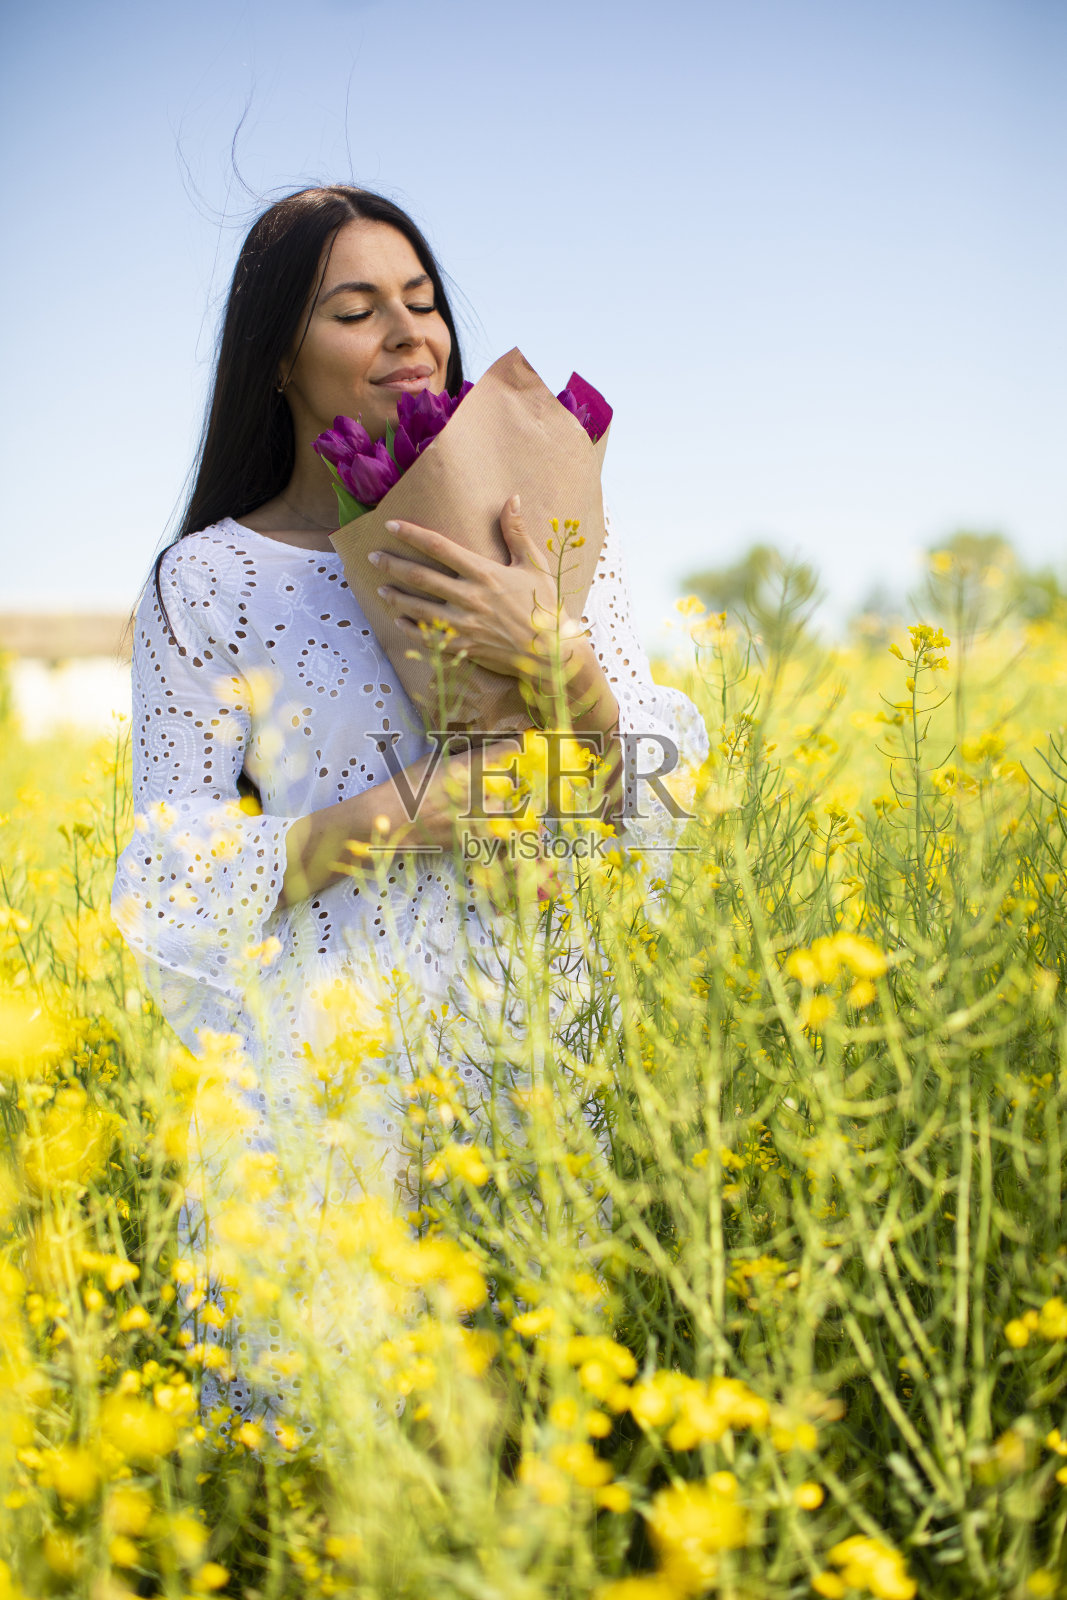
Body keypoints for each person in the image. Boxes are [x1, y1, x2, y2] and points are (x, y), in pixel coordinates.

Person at [110, 187, 708, 1410]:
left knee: (530, 1481)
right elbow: (164, 879)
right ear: (279, 353)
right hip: (318, 1097)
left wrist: (565, 664)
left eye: (423, 302)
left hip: (531, 1070)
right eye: (355, 309)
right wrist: (392, 817)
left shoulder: (538, 529)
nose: (410, 334)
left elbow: (668, 807)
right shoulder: (211, 579)